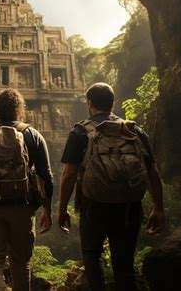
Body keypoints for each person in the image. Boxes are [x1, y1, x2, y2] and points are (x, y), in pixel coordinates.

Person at [58, 83, 165, 291]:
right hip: (129, 206)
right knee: (124, 266)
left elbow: (69, 174)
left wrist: (62, 210)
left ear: (90, 104)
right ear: (113, 104)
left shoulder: (80, 131)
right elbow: (152, 171)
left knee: (91, 255)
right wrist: (158, 207)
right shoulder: (133, 130)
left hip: (93, 205)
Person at [0, 88, 54, 291]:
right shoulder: (32, 134)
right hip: (23, 207)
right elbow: (47, 176)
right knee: (21, 262)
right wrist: (47, 209)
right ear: (20, 109)